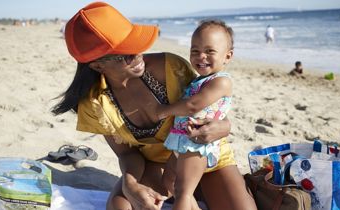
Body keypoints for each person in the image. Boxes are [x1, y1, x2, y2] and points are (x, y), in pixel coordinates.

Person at [52, 2, 256, 210]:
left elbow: (208, 102)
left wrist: (224, 127)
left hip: (206, 154)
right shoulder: (95, 104)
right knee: (120, 207)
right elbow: (127, 154)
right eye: (126, 53)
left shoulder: (170, 68)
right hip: (159, 168)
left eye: (136, 44)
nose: (138, 55)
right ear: (98, 65)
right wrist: (130, 184)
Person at [155, 20, 236, 210]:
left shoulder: (222, 82)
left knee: (183, 191)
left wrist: (162, 111)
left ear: (227, 56)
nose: (201, 56)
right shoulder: (200, 80)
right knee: (169, 182)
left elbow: (192, 105)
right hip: (182, 140)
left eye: (210, 51)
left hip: (197, 144)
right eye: (195, 51)